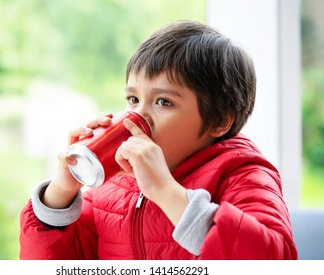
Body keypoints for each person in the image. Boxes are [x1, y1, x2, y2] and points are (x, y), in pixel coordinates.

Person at [19, 20, 297, 260]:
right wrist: (60, 194)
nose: (138, 117)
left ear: (219, 121)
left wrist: (166, 191)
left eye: (163, 101)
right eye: (133, 99)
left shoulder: (243, 175)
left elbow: (271, 260)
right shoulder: (114, 187)